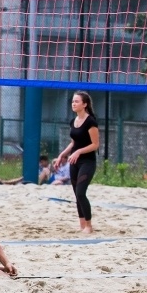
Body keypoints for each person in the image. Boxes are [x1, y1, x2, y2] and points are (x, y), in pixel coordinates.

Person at [53, 91, 100, 234]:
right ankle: (82, 225)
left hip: (87, 162)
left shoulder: (91, 121)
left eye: (77, 101)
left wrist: (79, 152)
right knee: (76, 193)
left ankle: (89, 226)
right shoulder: (73, 121)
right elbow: (74, 142)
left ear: (84, 104)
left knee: (81, 192)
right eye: (73, 101)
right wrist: (62, 155)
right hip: (74, 161)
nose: (73, 103)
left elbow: (95, 144)